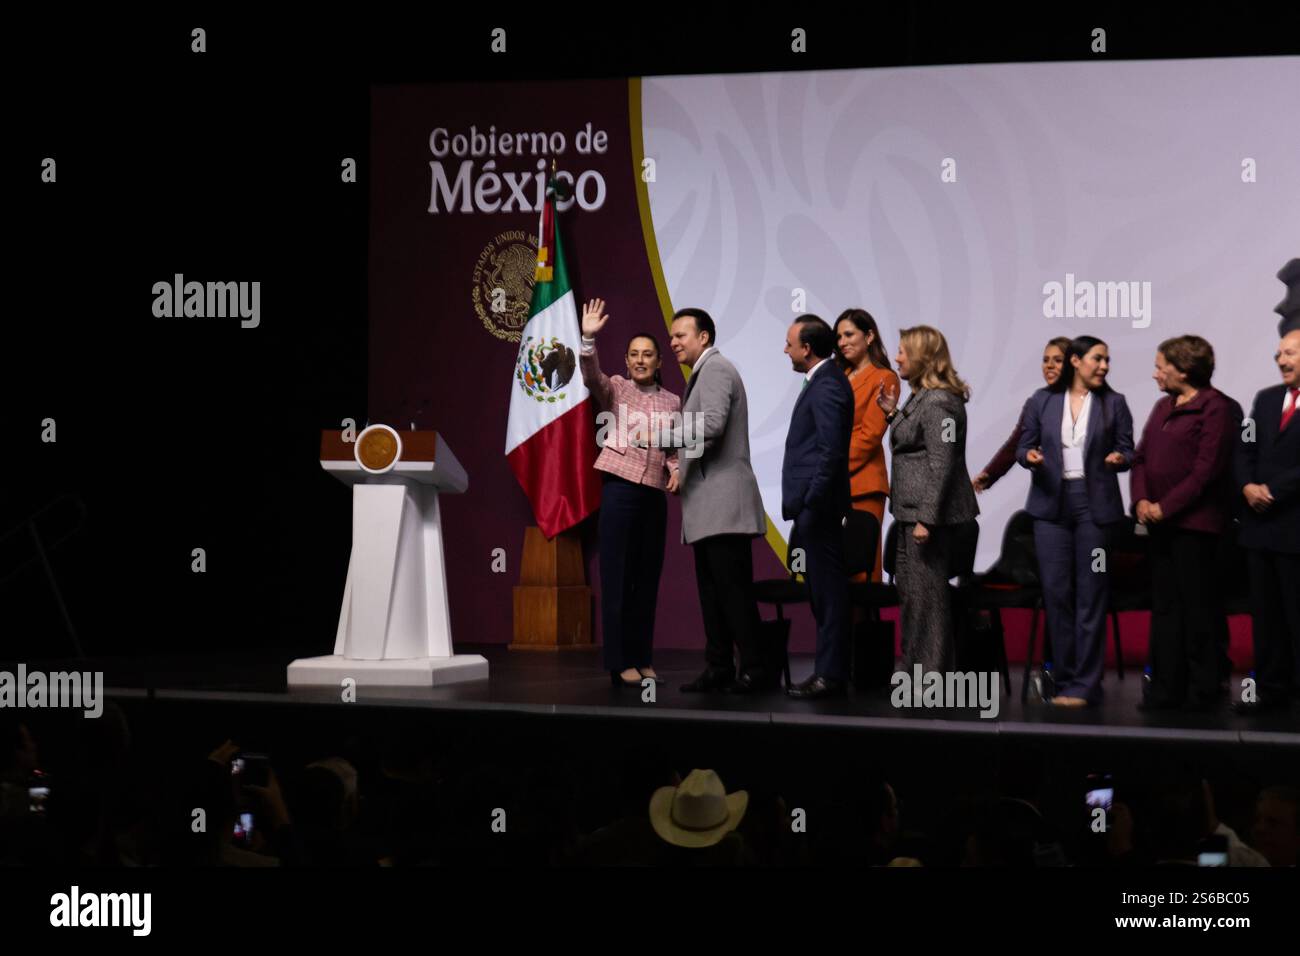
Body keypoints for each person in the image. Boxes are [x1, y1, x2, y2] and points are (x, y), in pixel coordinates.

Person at [1016, 335, 1134, 708]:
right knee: (1056, 594)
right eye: (1098, 359)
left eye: (1107, 360)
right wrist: (1029, 456)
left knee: (1092, 594)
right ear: (1076, 361)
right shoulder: (1042, 400)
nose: (1104, 366)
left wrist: (1120, 459)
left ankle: (1085, 684)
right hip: (1050, 507)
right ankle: (1064, 680)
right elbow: (1023, 446)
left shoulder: (1115, 403)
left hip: (1094, 510)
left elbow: (1128, 450)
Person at [664, 308, 771, 693]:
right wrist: (681, 470)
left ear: (704, 337)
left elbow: (711, 425)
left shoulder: (716, 369)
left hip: (723, 505)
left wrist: (660, 437)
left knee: (732, 593)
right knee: (714, 594)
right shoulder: (703, 373)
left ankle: (756, 669)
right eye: (672, 336)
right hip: (709, 506)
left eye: (681, 335)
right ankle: (720, 666)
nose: (673, 342)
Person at [1131, 335, 1238, 712]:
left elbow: (1206, 471)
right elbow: (1141, 457)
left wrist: (1166, 507)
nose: (1156, 373)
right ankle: (1164, 689)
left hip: (1198, 529)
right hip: (1161, 528)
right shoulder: (1163, 406)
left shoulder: (1218, 409)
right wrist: (1142, 500)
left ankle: (1204, 690)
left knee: (1198, 609)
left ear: (1185, 369)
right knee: (1165, 610)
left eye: (1162, 366)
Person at [579, 298, 680, 688]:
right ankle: (619, 660)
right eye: (634, 355)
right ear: (626, 360)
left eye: (648, 355)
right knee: (618, 578)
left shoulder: (673, 400)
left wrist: (676, 469)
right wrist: (588, 339)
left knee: (646, 579)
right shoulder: (616, 389)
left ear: (659, 362)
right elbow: (592, 377)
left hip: (654, 497)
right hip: (619, 491)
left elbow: (675, 450)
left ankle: (642, 656)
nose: (640, 360)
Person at [877, 326, 979, 675]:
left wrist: (928, 519)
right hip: (910, 513)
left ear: (923, 357)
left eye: (904, 351)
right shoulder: (921, 396)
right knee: (912, 598)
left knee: (929, 601)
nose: (897, 357)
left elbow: (943, 462)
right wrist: (893, 414)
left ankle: (931, 675)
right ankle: (914, 669)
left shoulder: (938, 402)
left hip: (926, 517)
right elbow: (915, 443)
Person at [781, 314, 855, 699]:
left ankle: (831, 674)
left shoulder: (827, 386)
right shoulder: (822, 381)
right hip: (814, 507)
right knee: (821, 592)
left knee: (828, 592)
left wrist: (811, 501)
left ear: (807, 348)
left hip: (820, 508)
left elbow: (830, 453)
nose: (785, 349)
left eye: (790, 342)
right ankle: (830, 672)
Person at [1232, 329, 1300, 716]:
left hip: (1293, 525)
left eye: (1289, 353)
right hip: (1259, 529)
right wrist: (1246, 485)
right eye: (1278, 354)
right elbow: (1246, 446)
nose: (1281, 360)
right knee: (1266, 615)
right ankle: (1270, 690)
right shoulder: (1266, 398)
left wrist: (1272, 489)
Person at [834, 308, 900, 582]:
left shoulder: (884, 377)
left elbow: (870, 436)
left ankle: (864, 627)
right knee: (837, 573)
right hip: (835, 486)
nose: (842, 342)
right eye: (838, 337)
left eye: (849, 334)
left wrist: (831, 468)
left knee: (862, 573)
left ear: (869, 336)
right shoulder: (838, 375)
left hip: (863, 483)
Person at [973, 337, 1072, 493]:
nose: (1049, 366)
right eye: (1045, 360)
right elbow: (1016, 444)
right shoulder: (1037, 402)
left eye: (1058, 360)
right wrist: (990, 474)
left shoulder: (1092, 401)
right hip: (1050, 495)